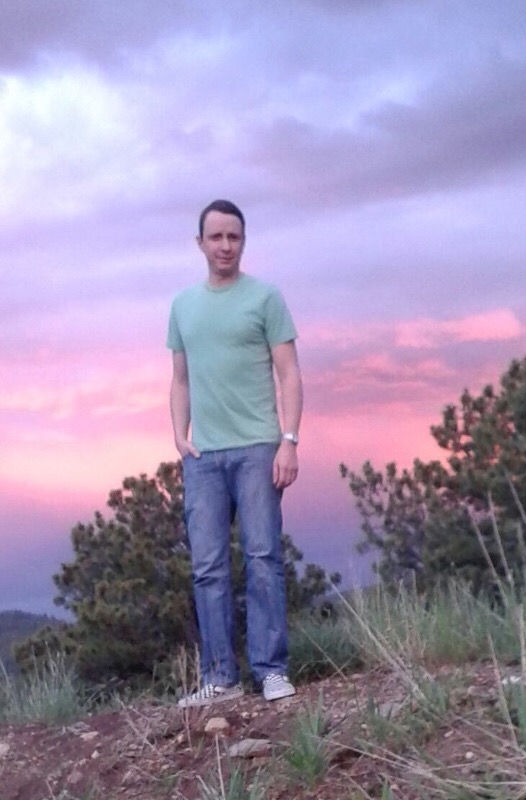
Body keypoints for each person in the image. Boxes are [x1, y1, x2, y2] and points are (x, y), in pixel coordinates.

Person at [167, 199, 303, 707]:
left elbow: (289, 372)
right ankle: (220, 679)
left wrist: (289, 440)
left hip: (258, 448)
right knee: (208, 568)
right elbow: (180, 378)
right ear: (199, 243)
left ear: (243, 241)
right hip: (203, 458)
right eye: (217, 237)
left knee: (263, 558)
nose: (226, 246)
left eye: (234, 237)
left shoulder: (265, 297)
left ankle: (271, 671)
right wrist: (179, 435)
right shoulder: (183, 305)